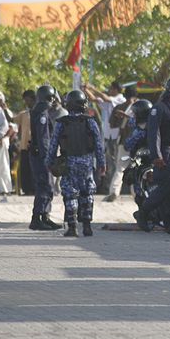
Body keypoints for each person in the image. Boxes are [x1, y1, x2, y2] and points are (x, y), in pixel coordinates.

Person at [135, 76, 170, 234]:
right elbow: (154, 134)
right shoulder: (159, 108)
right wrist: (157, 156)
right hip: (167, 152)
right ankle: (144, 213)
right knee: (165, 188)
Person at [47, 90, 105, 237]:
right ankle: (87, 226)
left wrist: (49, 162)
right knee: (87, 193)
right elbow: (99, 144)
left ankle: (72, 227)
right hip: (86, 163)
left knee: (70, 194)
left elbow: (53, 144)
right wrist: (101, 163)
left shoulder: (61, 123)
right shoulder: (90, 121)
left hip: (69, 162)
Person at [28, 85, 61, 231]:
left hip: (39, 154)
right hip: (41, 155)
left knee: (46, 186)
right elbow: (43, 138)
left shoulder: (39, 110)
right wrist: (48, 157)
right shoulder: (41, 112)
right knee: (45, 186)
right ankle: (37, 218)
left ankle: (44, 216)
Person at [85, 82, 126, 194]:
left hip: (117, 135)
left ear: (116, 90)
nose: (110, 90)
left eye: (111, 89)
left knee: (116, 162)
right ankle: (109, 187)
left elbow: (105, 98)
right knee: (109, 163)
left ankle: (115, 188)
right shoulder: (110, 101)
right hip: (108, 136)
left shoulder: (120, 99)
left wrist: (93, 87)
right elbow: (94, 99)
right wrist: (86, 90)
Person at [105, 85, 139, 202]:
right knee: (137, 168)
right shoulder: (140, 107)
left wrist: (122, 119)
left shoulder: (120, 107)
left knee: (120, 168)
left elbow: (111, 124)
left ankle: (114, 192)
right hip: (138, 143)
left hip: (124, 142)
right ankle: (136, 193)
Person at [14, 89, 36, 195]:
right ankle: (26, 189)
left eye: (28, 100)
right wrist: (4, 108)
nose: (27, 103)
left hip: (35, 146)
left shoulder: (39, 112)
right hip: (24, 145)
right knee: (25, 168)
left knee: (34, 168)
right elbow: (12, 119)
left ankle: (34, 188)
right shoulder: (24, 114)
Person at [0, 91, 15, 195]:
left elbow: (12, 128)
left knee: (3, 165)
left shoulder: (7, 112)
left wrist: (3, 137)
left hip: (3, 141)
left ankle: (5, 188)